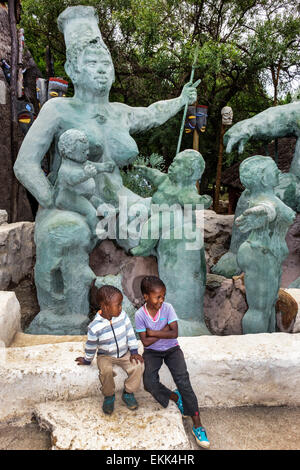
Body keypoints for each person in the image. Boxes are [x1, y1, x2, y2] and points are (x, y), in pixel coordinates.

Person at [135, 276, 210, 449]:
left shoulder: (167, 308)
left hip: (172, 349)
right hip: (152, 352)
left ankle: (198, 425)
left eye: (163, 296)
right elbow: (145, 343)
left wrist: (153, 332)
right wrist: (163, 331)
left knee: (183, 380)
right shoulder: (140, 315)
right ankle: (176, 398)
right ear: (146, 296)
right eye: (157, 297)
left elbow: (174, 333)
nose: (161, 300)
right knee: (149, 383)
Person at [76, 285, 144, 415]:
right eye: (118, 305)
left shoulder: (123, 316)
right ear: (105, 307)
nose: (121, 308)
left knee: (137, 366)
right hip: (105, 356)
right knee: (105, 371)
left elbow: (130, 333)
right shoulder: (95, 327)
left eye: (121, 304)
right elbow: (91, 346)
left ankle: (128, 393)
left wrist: (134, 351)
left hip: (125, 353)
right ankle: (109, 396)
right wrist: (87, 360)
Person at [131, 149, 212, 257]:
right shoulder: (166, 179)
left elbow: (193, 200)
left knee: (153, 225)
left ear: (188, 171)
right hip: (156, 207)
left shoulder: (185, 190)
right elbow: (155, 174)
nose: (172, 165)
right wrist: (146, 171)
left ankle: (145, 247)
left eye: (178, 163)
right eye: (174, 161)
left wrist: (203, 201)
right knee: (140, 204)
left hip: (172, 215)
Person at [55, 128, 114, 231]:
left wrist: (104, 167)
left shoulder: (82, 162)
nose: (87, 153)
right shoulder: (65, 169)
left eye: (87, 150)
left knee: (99, 203)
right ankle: (95, 232)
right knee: (90, 211)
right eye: (83, 151)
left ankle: (108, 215)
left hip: (86, 195)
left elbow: (94, 166)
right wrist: (85, 174)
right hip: (69, 197)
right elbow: (72, 179)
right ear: (69, 152)